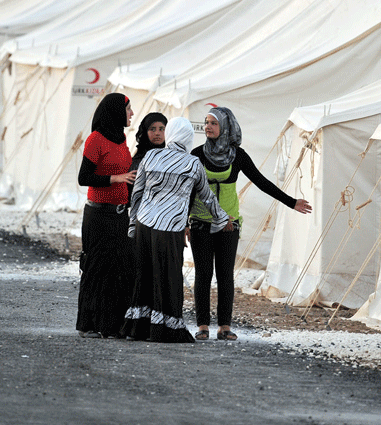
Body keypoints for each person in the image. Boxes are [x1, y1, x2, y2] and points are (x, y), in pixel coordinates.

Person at [189, 107, 312, 341]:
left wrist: (291, 202)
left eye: (213, 123)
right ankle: (202, 325)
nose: (207, 127)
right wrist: (184, 222)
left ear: (225, 126)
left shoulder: (238, 155)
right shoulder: (196, 154)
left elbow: (261, 182)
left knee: (225, 275)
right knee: (203, 275)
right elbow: (188, 191)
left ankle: (225, 326)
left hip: (229, 224)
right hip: (200, 223)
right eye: (206, 123)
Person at [121, 117, 233, 343]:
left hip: (145, 225)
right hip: (170, 227)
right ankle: (164, 330)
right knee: (169, 277)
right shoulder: (192, 164)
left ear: (170, 134)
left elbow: (137, 193)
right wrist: (222, 219)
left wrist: (133, 223)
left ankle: (138, 328)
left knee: (145, 275)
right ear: (189, 138)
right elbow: (207, 198)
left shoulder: (151, 156)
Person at [75, 93, 137, 339]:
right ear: (115, 112)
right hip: (99, 215)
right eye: (128, 109)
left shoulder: (121, 139)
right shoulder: (96, 139)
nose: (131, 114)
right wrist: (116, 179)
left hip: (120, 215)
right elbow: (84, 178)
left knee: (120, 269)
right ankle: (89, 324)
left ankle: (112, 324)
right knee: (97, 268)